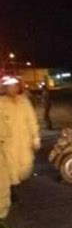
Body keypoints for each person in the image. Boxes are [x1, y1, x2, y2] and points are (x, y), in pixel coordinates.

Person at [0, 76, 40, 207]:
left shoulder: (24, 102)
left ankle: (16, 185)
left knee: (26, 166)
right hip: (8, 144)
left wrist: (36, 137)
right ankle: (12, 191)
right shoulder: (1, 103)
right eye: (9, 86)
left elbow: (32, 120)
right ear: (5, 88)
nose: (12, 89)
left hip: (24, 142)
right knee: (10, 169)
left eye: (15, 86)